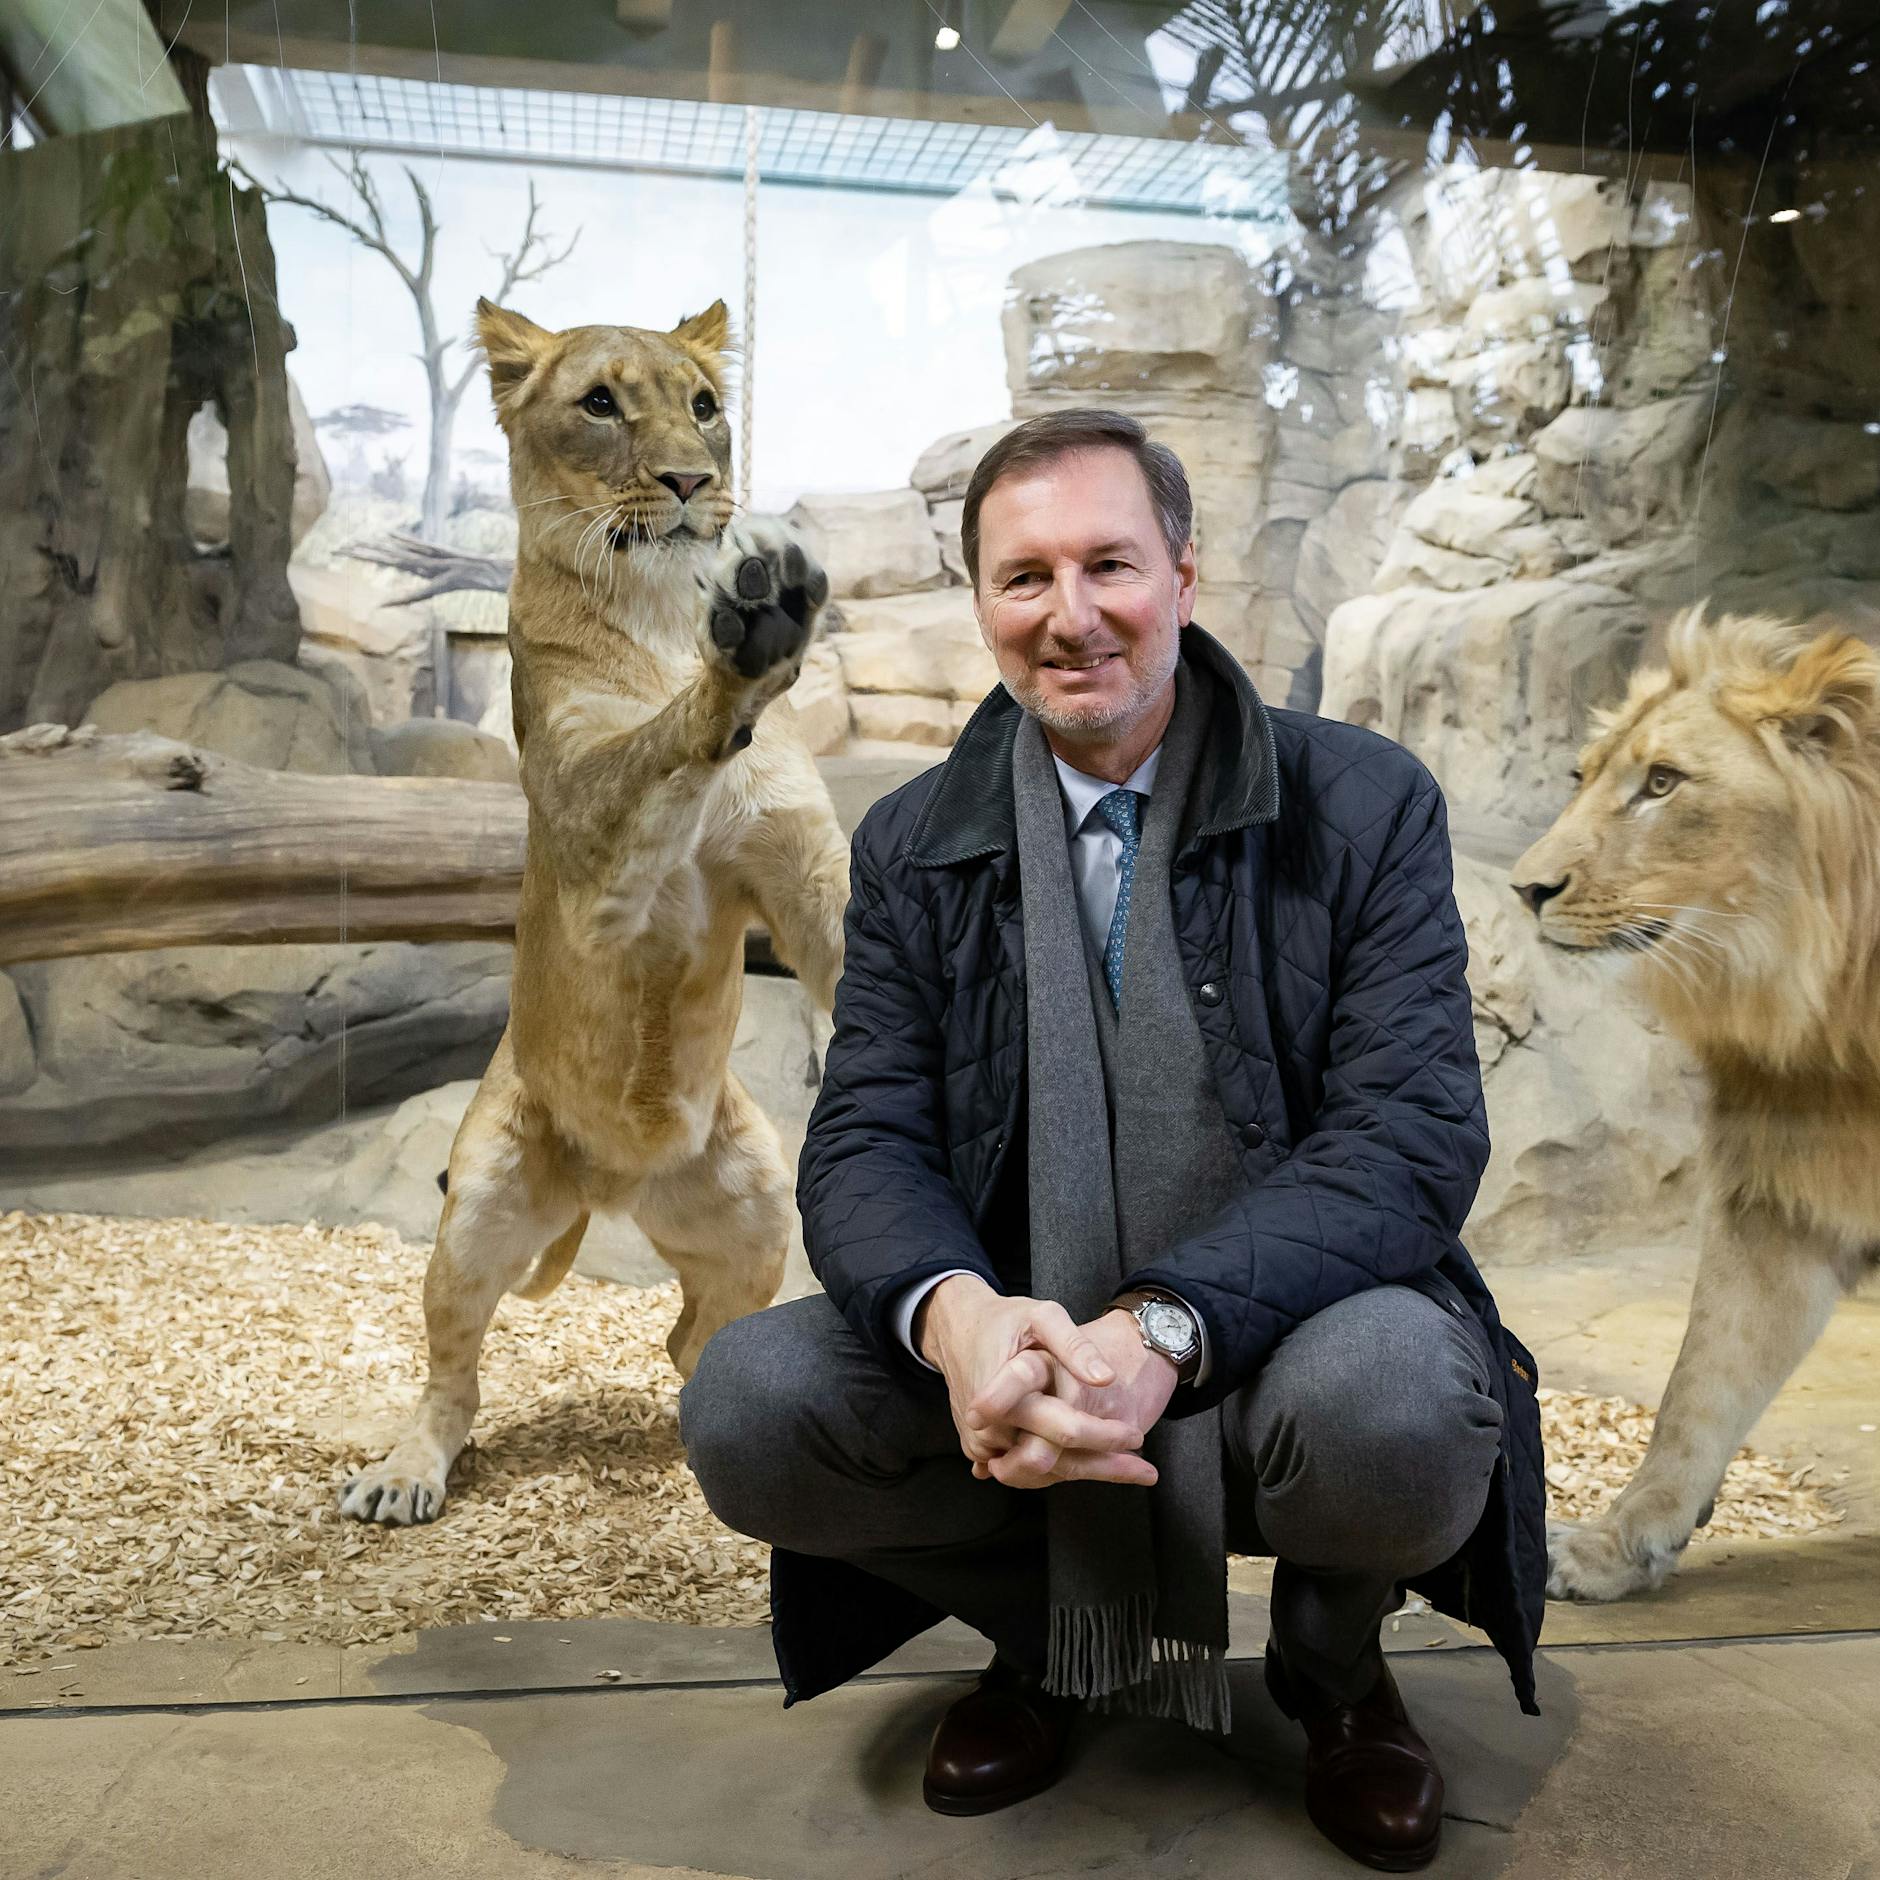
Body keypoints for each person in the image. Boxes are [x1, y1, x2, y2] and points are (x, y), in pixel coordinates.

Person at [680, 408, 1544, 1872]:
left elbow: (1408, 1139)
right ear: (980, 603)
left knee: (1400, 1407)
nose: (1070, 615)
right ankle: (1051, 1640)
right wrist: (956, 1321)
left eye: (1110, 565)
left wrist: (1164, 1327)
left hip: (1289, 1337)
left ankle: (1332, 1665)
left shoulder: (1364, 802)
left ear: (1184, 577)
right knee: (751, 1406)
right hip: (1028, 1332)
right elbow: (868, 1137)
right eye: (1025, 576)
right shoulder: (908, 843)